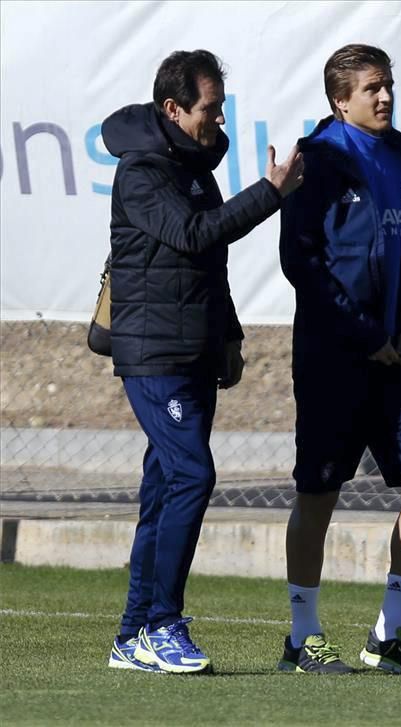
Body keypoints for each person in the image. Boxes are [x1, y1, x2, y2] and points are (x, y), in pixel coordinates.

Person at [103, 49, 304, 674]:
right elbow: (192, 233)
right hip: (153, 353)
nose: (218, 120)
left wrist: (230, 337)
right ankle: (162, 624)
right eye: (209, 109)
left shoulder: (191, 164)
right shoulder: (141, 172)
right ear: (174, 108)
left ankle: (133, 636)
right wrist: (270, 193)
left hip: (194, 350)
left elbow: (206, 268)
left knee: (164, 488)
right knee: (193, 476)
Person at [278, 44, 401, 676]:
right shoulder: (317, 160)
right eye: (372, 88)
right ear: (339, 100)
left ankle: (390, 634)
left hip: (399, 355)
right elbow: (301, 262)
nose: (385, 98)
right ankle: (302, 636)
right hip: (333, 355)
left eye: (389, 86)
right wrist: (360, 332)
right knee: (319, 494)